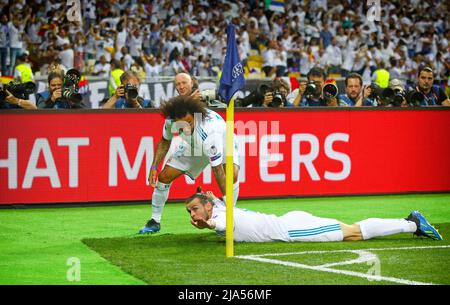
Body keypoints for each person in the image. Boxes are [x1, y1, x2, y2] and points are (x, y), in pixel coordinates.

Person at [139, 95, 240, 234]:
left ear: (195, 116)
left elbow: (217, 171)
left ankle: (230, 216)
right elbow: (164, 142)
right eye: (182, 126)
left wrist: (228, 205)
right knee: (164, 176)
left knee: (231, 175)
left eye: (190, 123)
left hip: (223, 143)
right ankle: (154, 221)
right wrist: (154, 166)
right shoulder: (170, 121)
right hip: (194, 147)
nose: (186, 129)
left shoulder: (210, 131)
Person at [186, 189, 443, 243]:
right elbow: (215, 215)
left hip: (292, 230)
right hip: (290, 222)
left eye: (194, 209)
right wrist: (205, 221)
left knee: (353, 232)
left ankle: (411, 224)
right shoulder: (218, 205)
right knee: (352, 235)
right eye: (190, 211)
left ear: (208, 207)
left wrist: (208, 223)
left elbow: (220, 222)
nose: (192, 214)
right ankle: (409, 223)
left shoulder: (219, 214)